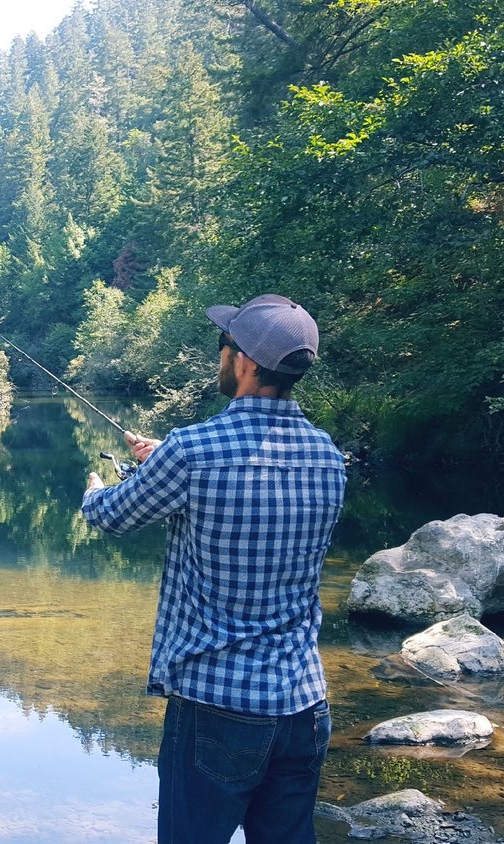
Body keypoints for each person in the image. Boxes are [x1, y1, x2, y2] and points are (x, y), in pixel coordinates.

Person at [81, 294, 347, 844]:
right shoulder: (327, 455)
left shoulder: (192, 451)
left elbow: (112, 517)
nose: (218, 357)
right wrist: (164, 465)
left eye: (222, 346)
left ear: (245, 361)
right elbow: (253, 488)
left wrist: (97, 487)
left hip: (216, 706)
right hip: (303, 704)